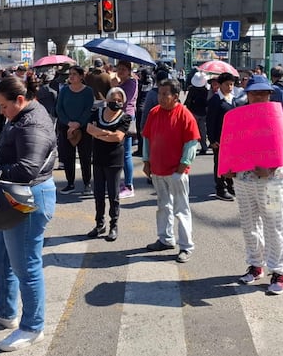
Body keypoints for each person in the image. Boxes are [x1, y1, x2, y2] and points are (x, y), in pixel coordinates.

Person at [0, 75, 57, 352]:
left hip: (28, 199)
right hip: (10, 199)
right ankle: (7, 311)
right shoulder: (22, 115)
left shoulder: (32, 123)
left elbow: (27, 170)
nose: (0, 111)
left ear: (20, 100)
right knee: (0, 256)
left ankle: (33, 327)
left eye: (3, 106)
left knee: (26, 267)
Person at [225, 77, 283, 293]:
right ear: (247, 94)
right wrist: (228, 167)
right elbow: (231, 144)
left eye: (264, 93)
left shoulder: (278, 116)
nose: (259, 97)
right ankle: (256, 265)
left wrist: (271, 169)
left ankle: (279, 271)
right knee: (249, 224)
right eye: (255, 93)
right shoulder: (239, 117)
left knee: (275, 226)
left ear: (269, 94)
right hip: (244, 180)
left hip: (271, 182)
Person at [141, 79, 200, 263]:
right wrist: (146, 161)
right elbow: (147, 139)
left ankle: (186, 246)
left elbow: (191, 145)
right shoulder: (154, 113)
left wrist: (181, 168)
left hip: (176, 171)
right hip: (158, 170)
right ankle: (165, 238)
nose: (161, 97)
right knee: (163, 206)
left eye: (165, 94)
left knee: (181, 209)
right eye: (159, 93)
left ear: (175, 96)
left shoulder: (185, 115)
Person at [84, 87, 131, 241]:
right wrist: (107, 134)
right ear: (107, 100)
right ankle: (99, 224)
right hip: (98, 158)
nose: (116, 102)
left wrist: (100, 133)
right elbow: (89, 129)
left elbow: (118, 137)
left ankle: (113, 225)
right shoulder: (97, 112)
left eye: (119, 100)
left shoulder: (125, 117)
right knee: (98, 194)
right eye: (113, 100)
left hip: (114, 160)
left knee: (113, 195)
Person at [54, 66, 94, 194]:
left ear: (81, 76)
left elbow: (88, 109)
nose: (71, 76)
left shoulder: (88, 91)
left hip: (83, 128)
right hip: (66, 127)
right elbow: (59, 109)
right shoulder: (64, 90)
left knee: (85, 156)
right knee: (67, 156)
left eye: (75, 74)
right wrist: (69, 123)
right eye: (70, 74)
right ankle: (70, 183)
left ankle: (87, 183)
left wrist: (78, 123)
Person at [206, 72, 238, 201]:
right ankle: (220, 188)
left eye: (232, 84)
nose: (230, 87)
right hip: (219, 139)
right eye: (227, 84)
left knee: (232, 163)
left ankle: (230, 186)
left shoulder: (233, 98)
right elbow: (210, 121)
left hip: (233, 139)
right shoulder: (215, 100)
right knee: (220, 164)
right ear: (219, 85)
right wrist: (212, 140)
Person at [111, 60, 138, 199]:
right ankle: (123, 183)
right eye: (118, 69)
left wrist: (115, 87)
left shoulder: (131, 83)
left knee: (126, 153)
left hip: (126, 119)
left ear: (129, 71)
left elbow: (122, 100)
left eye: (123, 69)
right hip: (118, 118)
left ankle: (129, 185)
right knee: (120, 152)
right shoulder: (123, 82)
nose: (120, 71)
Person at [183, 71, 209, 155]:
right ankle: (204, 147)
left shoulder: (192, 89)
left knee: (192, 131)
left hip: (193, 112)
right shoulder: (206, 90)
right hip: (203, 113)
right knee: (202, 131)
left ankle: (191, 147)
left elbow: (188, 101)